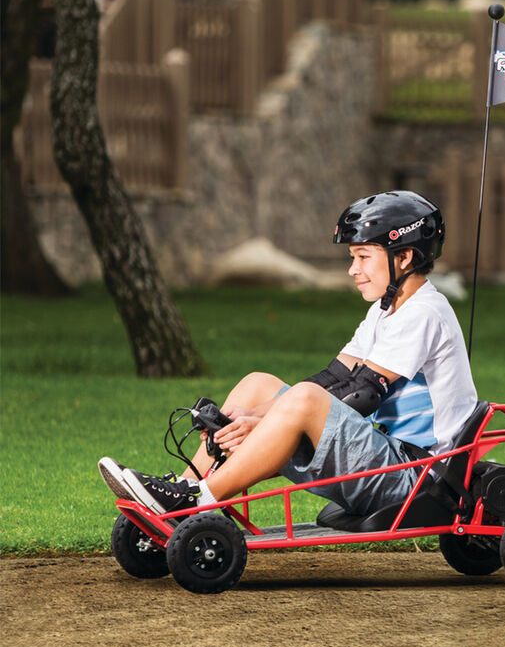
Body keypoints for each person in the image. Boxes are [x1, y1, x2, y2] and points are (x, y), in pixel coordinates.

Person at [98, 191, 478, 519]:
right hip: (388, 460)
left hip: (418, 478)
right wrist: (255, 413)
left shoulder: (425, 312)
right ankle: (184, 486)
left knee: (305, 399)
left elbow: (363, 393)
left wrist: (263, 424)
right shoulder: (386, 308)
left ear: (405, 257)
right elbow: (335, 377)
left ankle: (199, 502)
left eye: (363, 257)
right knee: (257, 385)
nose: (352, 270)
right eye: (353, 258)